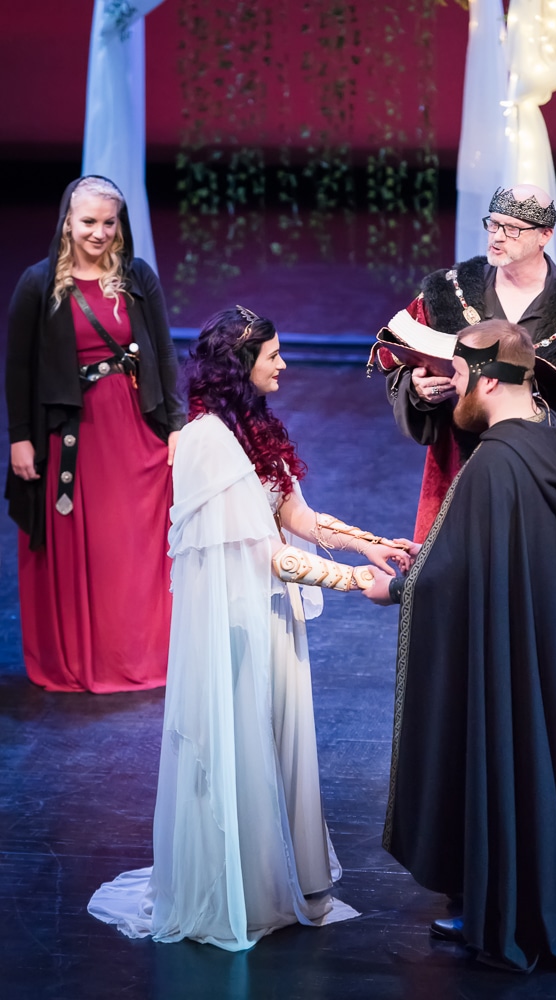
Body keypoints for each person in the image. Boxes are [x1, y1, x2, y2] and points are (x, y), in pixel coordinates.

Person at [88, 306, 413, 951]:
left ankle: (285, 880)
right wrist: (360, 586)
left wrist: (371, 544)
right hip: (236, 626)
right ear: (242, 363)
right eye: (274, 355)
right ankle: (244, 887)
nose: (285, 365)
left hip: (272, 616)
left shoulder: (255, 426)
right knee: (243, 746)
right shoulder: (209, 440)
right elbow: (269, 555)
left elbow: (296, 516)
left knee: (280, 742)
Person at [364, 319, 556, 972]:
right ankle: (536, 872)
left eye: (461, 377)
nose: (454, 390)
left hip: (505, 645)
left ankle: (510, 896)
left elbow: (450, 571)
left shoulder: (495, 461)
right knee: (537, 744)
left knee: (503, 745)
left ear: (489, 378)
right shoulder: (551, 435)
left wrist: (394, 587)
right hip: (536, 642)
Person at [379, 184, 556, 636]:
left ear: (544, 235)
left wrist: (542, 408)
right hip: (461, 464)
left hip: (543, 469)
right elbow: (401, 362)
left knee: (535, 607)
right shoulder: (448, 292)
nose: (497, 237)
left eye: (512, 228)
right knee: (459, 606)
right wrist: (419, 388)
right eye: (493, 224)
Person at [5, 175, 185, 693]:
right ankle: (84, 659)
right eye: (88, 221)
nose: (99, 232)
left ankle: (141, 652)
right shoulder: (38, 284)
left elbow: (164, 353)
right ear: (67, 221)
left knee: (134, 546)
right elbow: (18, 368)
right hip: (70, 439)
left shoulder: (138, 278)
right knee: (85, 549)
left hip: (132, 429)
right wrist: (20, 437)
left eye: (108, 222)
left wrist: (175, 426)